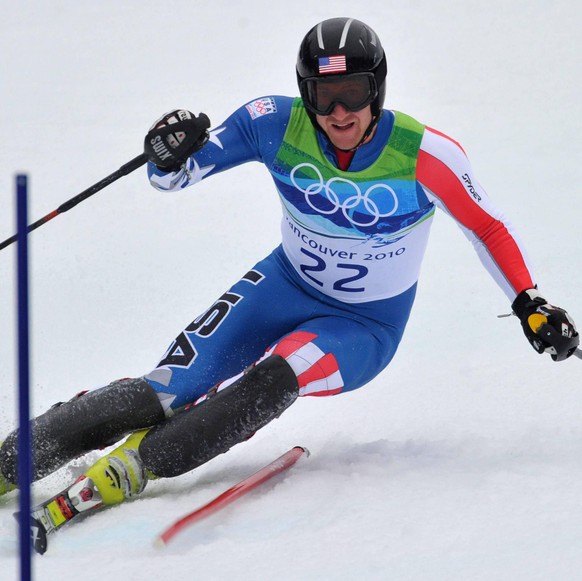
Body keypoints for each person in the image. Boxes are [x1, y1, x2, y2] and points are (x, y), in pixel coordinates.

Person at [0, 16, 578, 529]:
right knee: (164, 391)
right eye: (324, 97)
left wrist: (528, 301)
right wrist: (167, 151)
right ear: (306, 95)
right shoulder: (272, 122)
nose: (339, 113)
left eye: (352, 93)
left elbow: (488, 228)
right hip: (280, 286)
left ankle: (140, 466)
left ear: (376, 90)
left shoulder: (427, 154)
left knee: (282, 372)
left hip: (363, 327)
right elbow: (173, 177)